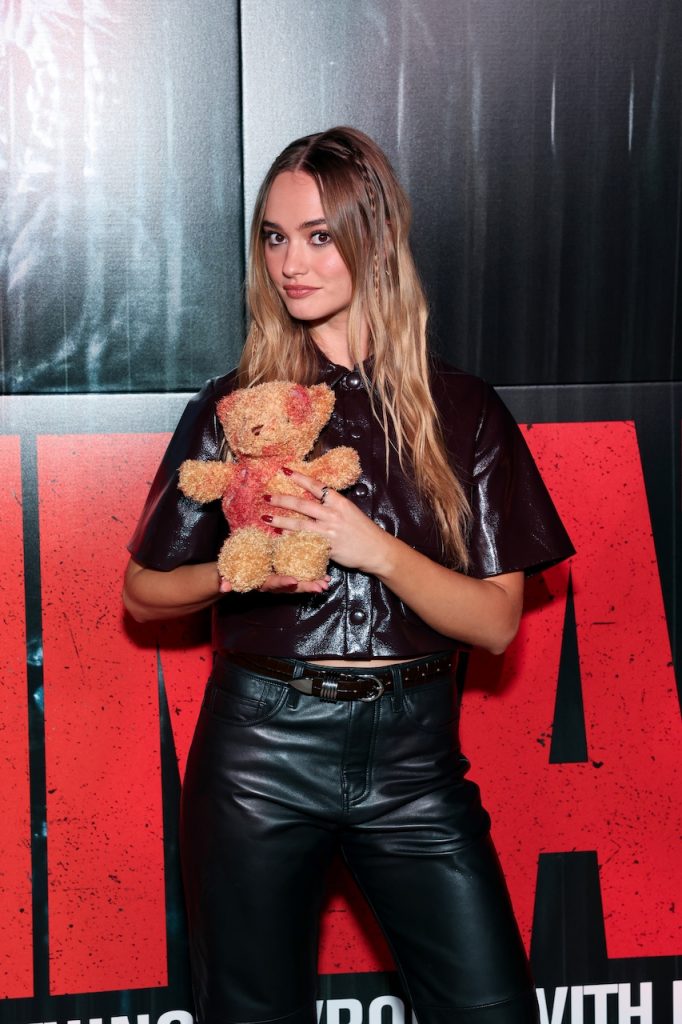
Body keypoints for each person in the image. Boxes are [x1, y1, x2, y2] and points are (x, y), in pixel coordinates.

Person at [123, 126, 574, 1024]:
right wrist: (241, 571)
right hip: (259, 750)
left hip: (415, 761)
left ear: (377, 239)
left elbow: (494, 625)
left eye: (319, 235)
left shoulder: (467, 409)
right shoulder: (234, 406)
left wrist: (372, 548)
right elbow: (144, 592)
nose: (291, 262)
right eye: (275, 237)